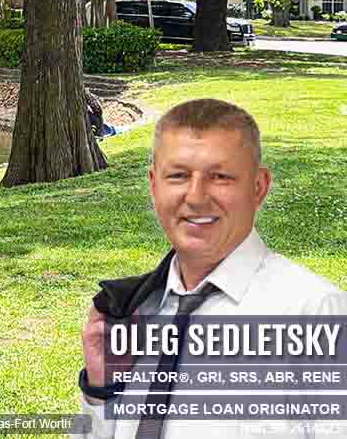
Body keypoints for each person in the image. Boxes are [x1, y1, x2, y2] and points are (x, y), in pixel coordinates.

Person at [79, 98, 347, 438]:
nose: (195, 197)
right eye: (178, 175)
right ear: (153, 185)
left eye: (220, 176)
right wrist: (102, 388)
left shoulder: (317, 314)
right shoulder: (132, 314)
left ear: (258, 187)